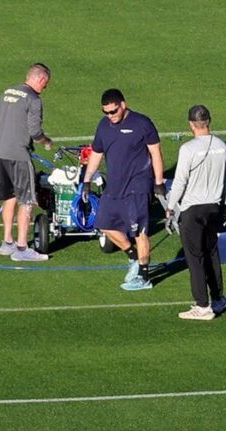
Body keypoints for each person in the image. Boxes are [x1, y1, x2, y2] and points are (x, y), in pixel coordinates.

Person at [82, 88, 166, 291]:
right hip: (114, 187)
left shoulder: (142, 123)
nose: (110, 116)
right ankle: (134, 256)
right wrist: (86, 180)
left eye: (113, 111)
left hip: (138, 186)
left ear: (123, 105)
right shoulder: (104, 126)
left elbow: (155, 152)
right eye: (106, 112)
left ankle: (144, 277)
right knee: (103, 224)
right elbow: (96, 153)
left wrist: (159, 182)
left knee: (140, 232)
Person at [165, 105, 226, 320]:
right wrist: (223, 205)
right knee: (212, 253)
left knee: (195, 258)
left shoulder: (188, 149)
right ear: (209, 121)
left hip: (193, 209)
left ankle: (202, 306)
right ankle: (218, 298)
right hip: (214, 206)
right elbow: (225, 180)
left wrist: (170, 206)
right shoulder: (222, 147)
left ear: (191, 124)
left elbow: (180, 181)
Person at [0, 62, 54, 262]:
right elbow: (34, 131)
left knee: (10, 196)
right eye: (46, 83)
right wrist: (46, 141)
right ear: (41, 79)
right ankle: (22, 248)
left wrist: (7, 133)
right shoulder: (34, 99)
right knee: (26, 200)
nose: (46, 87)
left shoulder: (9, 91)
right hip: (18, 155)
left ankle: (7, 243)